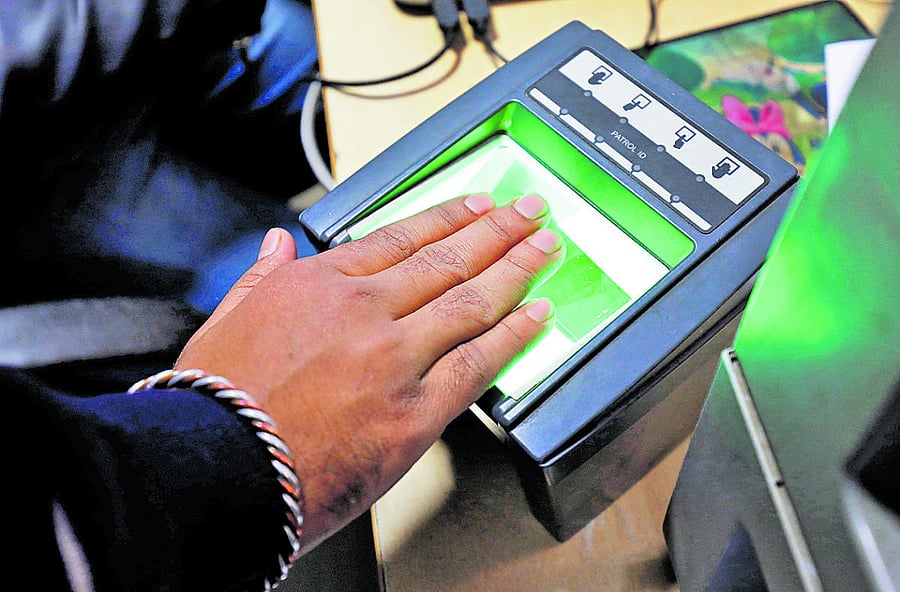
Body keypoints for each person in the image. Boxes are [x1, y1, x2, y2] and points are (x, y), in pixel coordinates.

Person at [1, 1, 563, 590]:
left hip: (73, 52)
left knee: (314, 54)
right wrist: (231, 447)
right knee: (326, 282)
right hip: (34, 198)